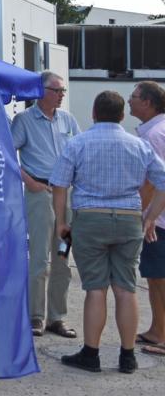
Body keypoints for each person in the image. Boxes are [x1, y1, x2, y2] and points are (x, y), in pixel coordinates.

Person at [50, 90, 165, 374]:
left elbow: (60, 186)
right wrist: (150, 216)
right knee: (126, 288)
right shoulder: (138, 144)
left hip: (90, 219)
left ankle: (91, 353)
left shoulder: (78, 143)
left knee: (96, 289)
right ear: (122, 116)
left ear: (93, 113)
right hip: (128, 219)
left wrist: (61, 224)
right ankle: (127, 356)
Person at [11, 71, 81, 338]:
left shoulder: (68, 120)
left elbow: (79, 151)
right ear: (41, 92)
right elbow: (7, 154)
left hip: (66, 197)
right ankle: (35, 316)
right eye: (56, 90)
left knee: (63, 257)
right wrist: (29, 181)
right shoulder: (25, 120)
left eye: (63, 90)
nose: (61, 94)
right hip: (41, 195)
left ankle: (57, 317)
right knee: (40, 258)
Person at [128, 81, 165, 353]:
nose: (129, 100)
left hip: (158, 219)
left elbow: (154, 181)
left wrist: (138, 213)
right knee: (154, 277)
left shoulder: (154, 135)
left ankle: (163, 335)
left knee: (160, 278)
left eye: (135, 97)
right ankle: (157, 330)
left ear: (148, 103)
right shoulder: (157, 130)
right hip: (159, 217)